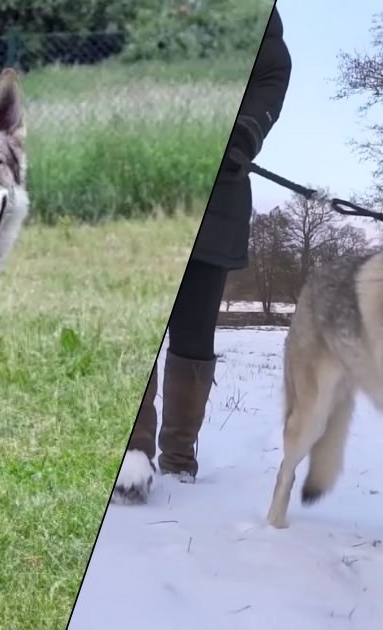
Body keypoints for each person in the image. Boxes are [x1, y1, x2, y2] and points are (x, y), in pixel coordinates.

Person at [112, 6, 292, 504]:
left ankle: (179, 457)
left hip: (222, 190)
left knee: (194, 330)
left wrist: (244, 133)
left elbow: (272, 73)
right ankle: (134, 451)